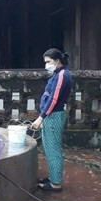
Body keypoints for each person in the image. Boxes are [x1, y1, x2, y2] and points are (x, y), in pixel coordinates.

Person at [31, 48, 72, 192]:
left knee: (53, 149)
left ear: (57, 61)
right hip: (50, 115)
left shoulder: (62, 75)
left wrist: (40, 118)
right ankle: (53, 176)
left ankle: (56, 184)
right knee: (48, 148)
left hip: (53, 115)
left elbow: (54, 99)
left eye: (48, 62)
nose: (46, 65)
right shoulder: (57, 74)